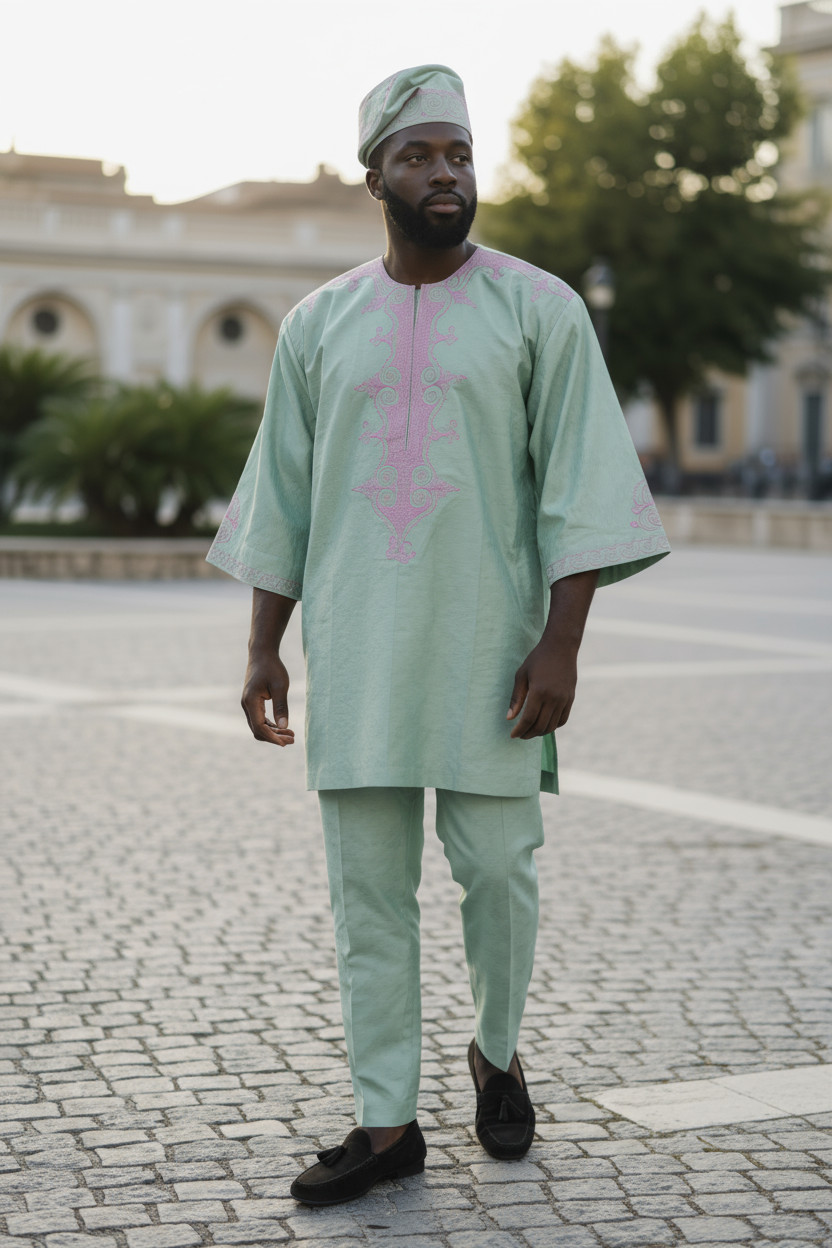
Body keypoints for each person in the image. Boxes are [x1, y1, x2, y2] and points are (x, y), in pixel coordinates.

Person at [207, 63, 670, 1206]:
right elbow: (285, 494)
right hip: (359, 654)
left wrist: (561, 643)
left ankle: (497, 1052)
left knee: (500, 874)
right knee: (367, 893)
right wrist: (264, 646)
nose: (445, 173)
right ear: (376, 177)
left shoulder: (541, 308)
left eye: (458, 153)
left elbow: (582, 487)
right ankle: (385, 1123)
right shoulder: (319, 324)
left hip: (492, 652)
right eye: (418, 156)